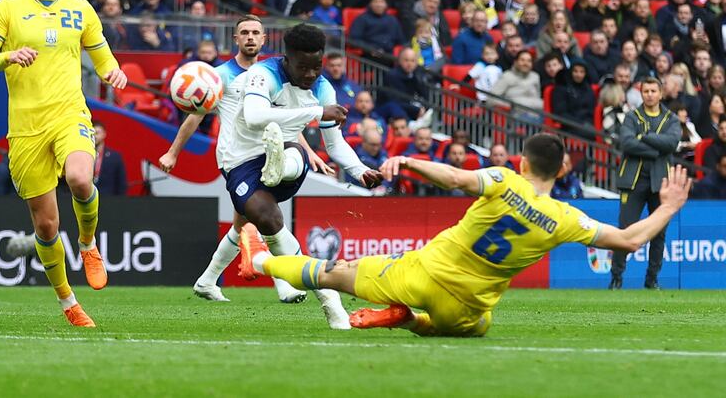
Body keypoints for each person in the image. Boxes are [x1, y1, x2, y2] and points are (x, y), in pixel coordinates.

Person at [238, 134, 693, 337]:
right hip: (467, 306)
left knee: (337, 273)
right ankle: (412, 322)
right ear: (562, 171)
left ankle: (257, 262)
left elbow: (453, 178)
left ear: (523, 163)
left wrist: (412, 161)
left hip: (420, 272)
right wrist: (669, 206)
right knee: (477, 329)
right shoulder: (568, 219)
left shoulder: (503, 180)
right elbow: (631, 239)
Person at [0, 0, 128, 327]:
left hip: (69, 113)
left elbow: (104, 55)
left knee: (79, 178)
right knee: (45, 225)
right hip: (25, 128)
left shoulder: (81, 9)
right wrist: (9, 54)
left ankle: (88, 245)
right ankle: (68, 302)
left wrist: (114, 70)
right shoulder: (8, 9)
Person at [158, 16, 335, 305]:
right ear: (236, 40)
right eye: (244, 33)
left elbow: (287, 121)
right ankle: (286, 284)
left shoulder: (278, 72)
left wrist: (310, 153)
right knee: (266, 216)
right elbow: (196, 115)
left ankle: (206, 281)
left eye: (256, 32)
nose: (250, 37)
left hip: (269, 153)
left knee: (246, 222)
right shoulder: (219, 76)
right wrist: (173, 151)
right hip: (237, 157)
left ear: (264, 39)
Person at [222, 23, 383, 329]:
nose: (311, 74)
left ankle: (278, 165)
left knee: (291, 149)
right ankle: (331, 302)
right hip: (242, 158)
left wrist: (359, 170)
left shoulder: (323, 88)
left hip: (289, 154)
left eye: (316, 67)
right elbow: (255, 118)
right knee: (265, 218)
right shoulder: (263, 75)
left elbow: (334, 144)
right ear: (287, 58)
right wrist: (317, 113)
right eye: (303, 67)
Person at [610, 77, 681, 290]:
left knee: (658, 234)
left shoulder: (671, 119)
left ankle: (652, 280)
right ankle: (616, 278)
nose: (649, 94)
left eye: (653, 91)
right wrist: (657, 150)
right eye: (646, 91)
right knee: (624, 231)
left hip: (661, 184)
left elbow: (672, 143)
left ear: (660, 93)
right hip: (633, 181)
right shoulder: (632, 116)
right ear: (641, 93)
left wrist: (645, 136)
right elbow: (627, 143)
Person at [91, 121, 127, 196]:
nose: (95, 136)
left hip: (109, 200)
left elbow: (121, 183)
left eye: (97, 133)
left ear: (104, 134)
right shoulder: (85, 155)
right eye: (92, 134)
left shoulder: (115, 157)